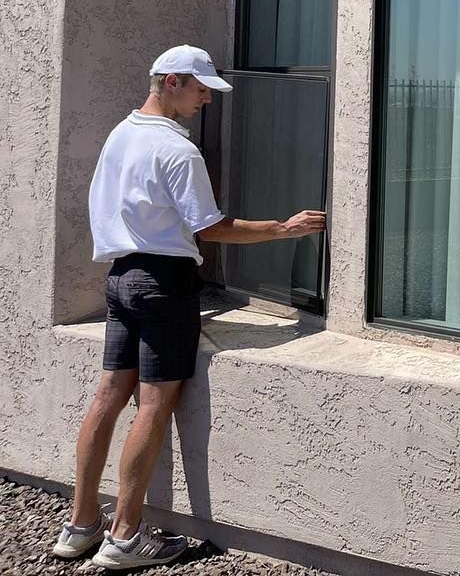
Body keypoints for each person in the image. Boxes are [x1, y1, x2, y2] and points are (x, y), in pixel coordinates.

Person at [51, 46, 326, 569]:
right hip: (164, 284)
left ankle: (81, 523)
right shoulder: (178, 150)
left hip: (122, 277)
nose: (207, 100)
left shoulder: (120, 134)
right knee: (154, 405)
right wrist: (282, 229)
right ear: (172, 81)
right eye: (201, 89)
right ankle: (125, 537)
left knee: (108, 396)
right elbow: (211, 228)